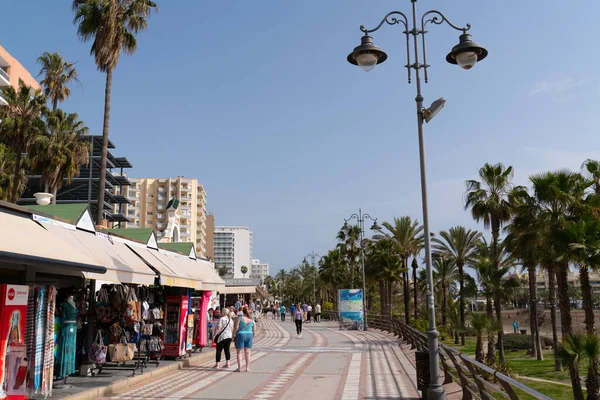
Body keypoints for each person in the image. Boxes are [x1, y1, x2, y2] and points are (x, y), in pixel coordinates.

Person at [233, 306, 255, 372]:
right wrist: (253, 335)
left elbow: (236, 327)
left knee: (239, 352)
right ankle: (247, 367)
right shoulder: (252, 320)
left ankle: (239, 368)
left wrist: (233, 334)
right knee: (247, 352)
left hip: (240, 334)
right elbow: (254, 329)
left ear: (242, 312)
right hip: (249, 335)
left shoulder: (240, 318)